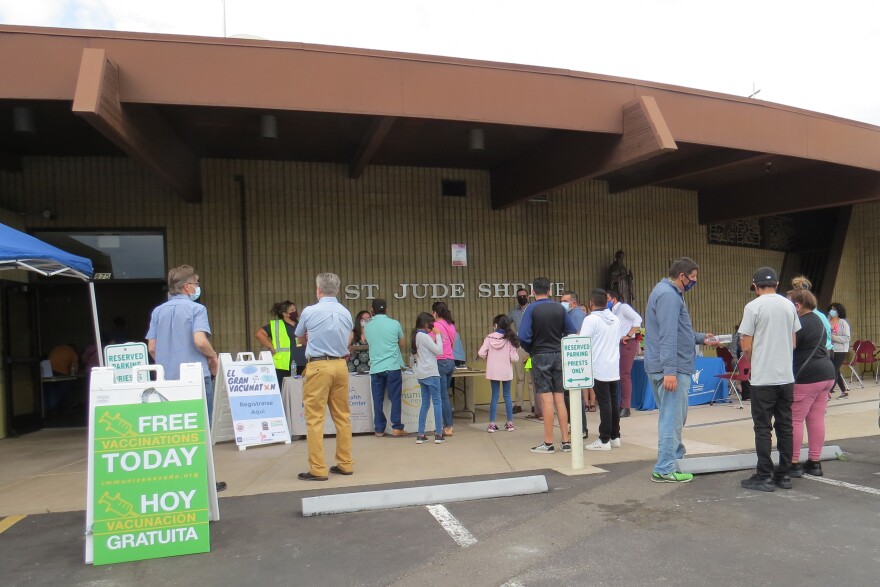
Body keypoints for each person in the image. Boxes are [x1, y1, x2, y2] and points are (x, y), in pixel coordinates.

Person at [146, 265, 226, 492]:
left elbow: (152, 347)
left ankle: (178, 476)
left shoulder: (158, 311)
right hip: (194, 377)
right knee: (202, 428)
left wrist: (167, 362)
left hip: (167, 379)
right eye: (197, 282)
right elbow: (200, 341)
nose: (199, 287)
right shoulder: (196, 310)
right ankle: (204, 480)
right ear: (187, 286)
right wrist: (213, 356)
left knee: (175, 430)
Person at [644, 257, 716, 483]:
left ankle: (675, 458)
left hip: (663, 365)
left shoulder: (666, 293)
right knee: (671, 419)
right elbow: (668, 336)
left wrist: (701, 338)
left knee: (671, 417)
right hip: (670, 367)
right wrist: (671, 371)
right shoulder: (668, 296)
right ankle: (665, 468)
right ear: (682, 276)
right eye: (692, 277)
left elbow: (678, 332)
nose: (694, 281)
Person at [738, 267, 800, 492]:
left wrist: (755, 360)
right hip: (786, 377)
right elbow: (793, 342)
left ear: (755, 286)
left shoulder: (753, 307)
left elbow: (745, 345)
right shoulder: (788, 305)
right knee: (785, 425)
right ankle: (783, 475)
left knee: (763, 428)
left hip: (763, 378)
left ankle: (764, 474)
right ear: (776, 283)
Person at [294, 273, 354, 481]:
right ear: (337, 289)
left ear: (318, 289)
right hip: (340, 364)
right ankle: (345, 463)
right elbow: (348, 338)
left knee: (315, 419)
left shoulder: (310, 311)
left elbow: (300, 337)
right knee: (343, 417)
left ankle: (318, 468)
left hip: (318, 365)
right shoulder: (345, 312)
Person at [518, 276, 578, 454]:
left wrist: (532, 348)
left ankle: (548, 442)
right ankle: (566, 441)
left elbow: (523, 336)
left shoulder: (530, 309)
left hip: (540, 355)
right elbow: (571, 330)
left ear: (532, 292)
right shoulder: (560, 308)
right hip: (558, 355)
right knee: (560, 398)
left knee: (546, 400)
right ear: (550, 291)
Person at [786, 287, 835, 478]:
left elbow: (790, 347)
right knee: (816, 418)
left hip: (806, 376)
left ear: (797, 306)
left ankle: (793, 462)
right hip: (827, 373)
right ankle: (814, 462)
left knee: (795, 419)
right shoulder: (820, 320)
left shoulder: (799, 323)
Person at [581, 289, 622, 451]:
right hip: (613, 366)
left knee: (604, 403)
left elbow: (583, 341)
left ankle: (604, 439)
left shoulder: (591, 320)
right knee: (612, 402)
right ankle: (615, 436)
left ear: (591, 303)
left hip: (598, 366)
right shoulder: (615, 319)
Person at [364, 299, 408, 437]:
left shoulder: (367, 326)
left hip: (376, 367)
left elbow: (366, 341)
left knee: (378, 399)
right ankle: (396, 427)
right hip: (393, 365)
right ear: (386, 309)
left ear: (372, 310)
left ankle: (379, 429)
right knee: (395, 398)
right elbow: (401, 343)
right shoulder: (395, 324)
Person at [478, 315, 521, 433]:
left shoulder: (489, 337)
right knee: (507, 395)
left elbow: (481, 352)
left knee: (494, 396)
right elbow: (514, 358)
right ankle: (510, 424)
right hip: (506, 370)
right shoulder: (510, 339)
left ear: (496, 325)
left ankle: (492, 424)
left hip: (493, 370)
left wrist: (488, 357)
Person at [412, 312, 445, 444]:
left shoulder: (416, 335)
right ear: (426, 324)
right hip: (431, 372)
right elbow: (439, 351)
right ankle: (438, 433)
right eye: (430, 324)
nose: (432, 326)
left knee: (425, 403)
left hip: (421, 373)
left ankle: (421, 434)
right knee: (437, 402)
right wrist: (437, 334)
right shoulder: (424, 336)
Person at [608, 290, 642, 418]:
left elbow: (638, 319)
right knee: (618, 374)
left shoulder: (623, 307)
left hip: (627, 343)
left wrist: (628, 335)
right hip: (617, 344)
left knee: (624, 374)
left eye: (608, 299)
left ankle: (625, 406)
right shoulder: (612, 312)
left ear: (614, 299)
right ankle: (619, 404)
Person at [561, 291, 591, 425]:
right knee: (569, 395)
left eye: (565, 301)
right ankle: (575, 425)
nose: (562, 303)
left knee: (574, 395)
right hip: (569, 359)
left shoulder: (577, 314)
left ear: (573, 303)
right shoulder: (569, 314)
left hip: (574, 360)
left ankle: (580, 427)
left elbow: (578, 336)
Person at [254, 300, 300, 384]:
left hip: (302, 363)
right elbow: (259, 334)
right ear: (285, 313)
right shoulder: (277, 325)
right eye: (292, 310)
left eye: (295, 309)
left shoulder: (301, 324)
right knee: (283, 390)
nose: (295, 312)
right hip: (284, 365)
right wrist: (271, 347)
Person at [431, 301, 457, 437]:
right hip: (450, 361)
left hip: (440, 361)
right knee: (444, 394)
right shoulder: (451, 325)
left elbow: (430, 344)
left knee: (442, 396)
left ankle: (447, 425)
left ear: (435, 313)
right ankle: (447, 424)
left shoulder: (435, 325)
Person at [508, 287, 534, 417]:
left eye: (524, 295)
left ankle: (534, 404)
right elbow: (506, 325)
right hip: (519, 348)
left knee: (530, 377)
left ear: (528, 297)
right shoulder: (514, 312)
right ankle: (518, 404)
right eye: (519, 296)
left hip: (530, 349)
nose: (522, 297)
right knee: (519, 377)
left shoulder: (532, 310)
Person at [828, 302, 851, 398]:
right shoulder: (827, 321)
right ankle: (844, 391)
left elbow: (847, 338)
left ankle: (827, 392)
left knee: (833, 371)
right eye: (831, 309)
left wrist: (833, 337)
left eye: (834, 309)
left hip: (840, 350)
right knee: (836, 371)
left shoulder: (843, 323)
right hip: (829, 349)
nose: (831, 311)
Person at [347, 310, 372, 374]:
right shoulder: (353, 333)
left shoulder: (373, 333)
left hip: (370, 365)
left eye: (368, 318)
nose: (366, 320)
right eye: (364, 318)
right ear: (359, 320)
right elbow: (347, 347)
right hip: (354, 365)